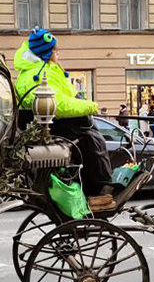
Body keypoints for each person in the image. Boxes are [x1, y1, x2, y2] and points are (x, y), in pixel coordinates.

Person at [14, 29, 116, 212]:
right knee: (94, 142)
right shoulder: (37, 75)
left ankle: (98, 187)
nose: (58, 53)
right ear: (47, 53)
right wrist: (90, 106)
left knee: (92, 135)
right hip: (52, 125)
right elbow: (58, 104)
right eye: (55, 51)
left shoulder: (41, 70)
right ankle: (98, 190)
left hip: (50, 123)